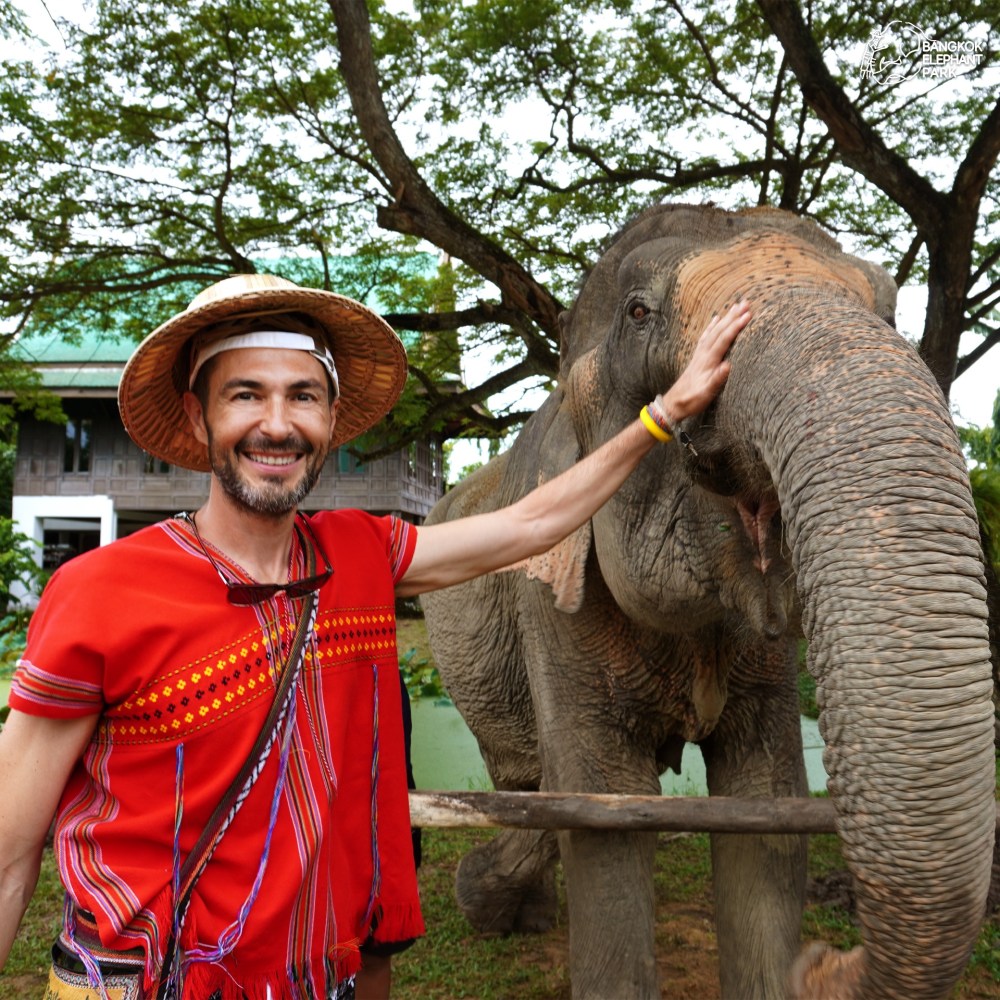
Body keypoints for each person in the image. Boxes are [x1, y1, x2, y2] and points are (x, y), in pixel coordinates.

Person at [0, 273, 749, 999]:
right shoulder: (99, 591)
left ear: (329, 421)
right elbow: (8, 853)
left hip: (319, 974)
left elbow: (530, 522)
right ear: (198, 419)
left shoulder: (361, 553)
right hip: (146, 981)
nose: (277, 423)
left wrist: (663, 415)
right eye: (245, 395)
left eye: (304, 397)